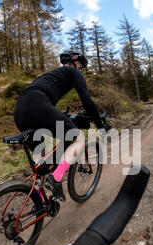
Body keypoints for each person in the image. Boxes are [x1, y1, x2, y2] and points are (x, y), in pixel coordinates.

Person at [14, 51, 110, 202]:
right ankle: (56, 179)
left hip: (20, 111)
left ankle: (40, 202)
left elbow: (44, 101)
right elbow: (88, 102)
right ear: (76, 63)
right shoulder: (73, 72)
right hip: (38, 105)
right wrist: (100, 125)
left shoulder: (51, 76)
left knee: (43, 162)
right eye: (81, 67)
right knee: (78, 138)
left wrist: (61, 114)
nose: (81, 70)